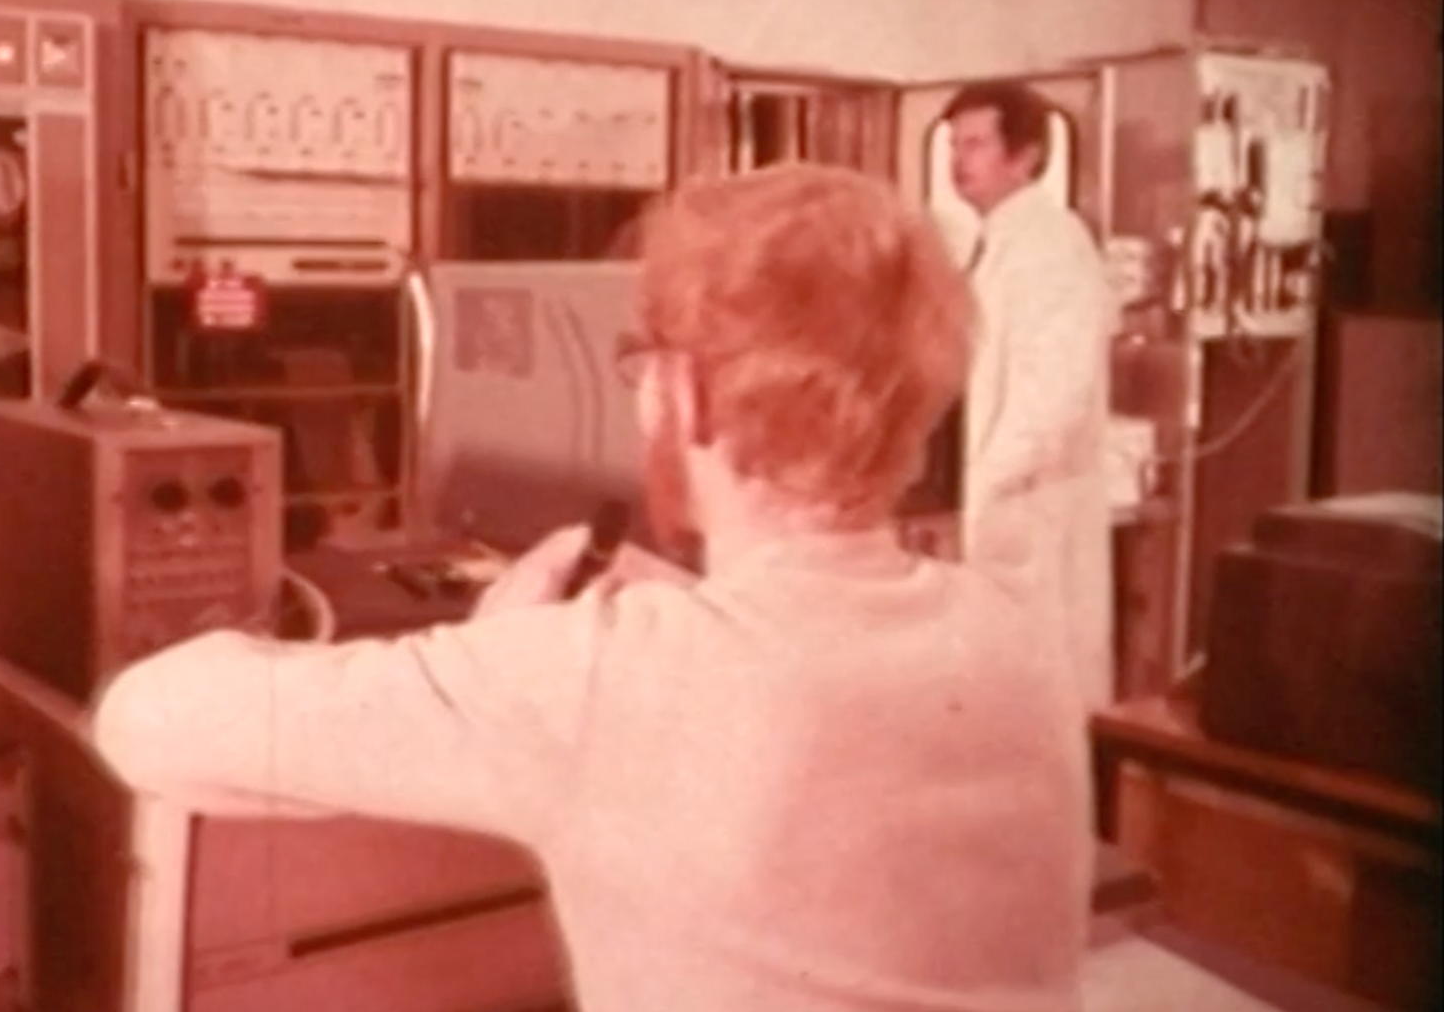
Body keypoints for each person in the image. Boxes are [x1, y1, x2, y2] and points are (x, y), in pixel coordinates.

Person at [91, 164, 1094, 1012]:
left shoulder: (602, 673)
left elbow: (143, 718)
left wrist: (498, 651)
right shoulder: (1015, 634)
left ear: (686, 395)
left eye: (642, 363)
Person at [942, 81, 1117, 711]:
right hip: (1007, 500)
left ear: (1025, 156)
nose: (958, 160)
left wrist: (992, 480)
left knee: (1046, 686)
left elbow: (1055, 395)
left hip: (1033, 501)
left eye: (976, 145)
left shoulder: (1052, 245)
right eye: (954, 145)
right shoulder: (995, 242)